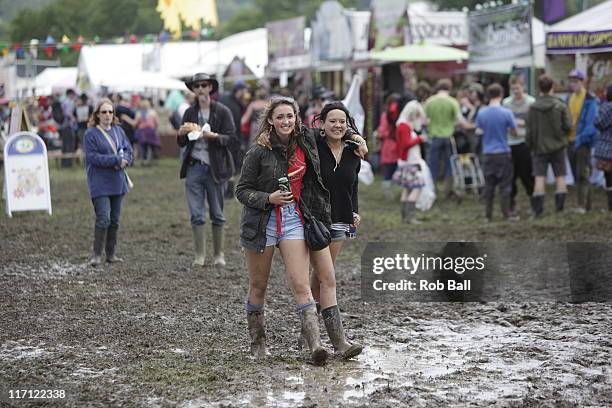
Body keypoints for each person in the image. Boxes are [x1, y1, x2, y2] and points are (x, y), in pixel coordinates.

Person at [257, 101, 368, 361]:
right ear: (322, 123)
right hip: (316, 219)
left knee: (322, 277)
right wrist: (268, 134)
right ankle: (316, 336)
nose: (338, 125)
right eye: (332, 121)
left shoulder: (354, 153)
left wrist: (355, 210)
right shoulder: (314, 144)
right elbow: (295, 130)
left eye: (343, 122)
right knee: (319, 277)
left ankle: (312, 333)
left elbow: (352, 186)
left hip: (341, 220)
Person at [235, 96, 330, 365]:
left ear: (296, 118)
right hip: (261, 222)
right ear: (270, 121)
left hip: (292, 220)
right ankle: (258, 345)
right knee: (259, 285)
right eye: (280, 117)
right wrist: (268, 198)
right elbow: (241, 191)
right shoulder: (258, 151)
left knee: (301, 284)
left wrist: (358, 141)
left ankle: (315, 346)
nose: (285, 121)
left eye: (290, 116)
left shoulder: (305, 142)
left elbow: (337, 129)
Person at [177, 73, 236, 267]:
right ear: (193, 90)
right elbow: (182, 141)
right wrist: (181, 134)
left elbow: (231, 139)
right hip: (194, 167)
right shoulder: (189, 113)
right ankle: (199, 256)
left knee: (217, 213)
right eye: (197, 86)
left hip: (216, 168)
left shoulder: (222, 111)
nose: (200, 89)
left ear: (211, 87)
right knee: (196, 214)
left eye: (204, 85)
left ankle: (219, 255)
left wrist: (214, 136)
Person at [83, 98, 133, 266]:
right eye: (104, 112)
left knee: (114, 220)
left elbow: (128, 150)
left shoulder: (119, 131)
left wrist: (126, 159)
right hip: (100, 183)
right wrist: (116, 160)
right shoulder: (90, 134)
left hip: (118, 182)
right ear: (97, 114)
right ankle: (97, 254)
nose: (107, 115)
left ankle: (111, 254)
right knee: (103, 218)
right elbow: (92, 157)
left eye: (110, 112)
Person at [526, 75, 571, 217]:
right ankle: (560, 209)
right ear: (552, 87)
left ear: (540, 88)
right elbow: (568, 126)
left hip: (539, 147)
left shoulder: (533, 107)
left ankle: (538, 211)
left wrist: (530, 145)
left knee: (539, 177)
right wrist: (562, 137)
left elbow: (530, 130)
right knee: (560, 176)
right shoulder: (560, 105)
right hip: (558, 146)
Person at [475, 84, 518, 221]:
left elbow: (479, 130)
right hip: (503, 152)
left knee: (489, 185)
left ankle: (488, 215)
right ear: (501, 94)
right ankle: (506, 214)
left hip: (487, 152)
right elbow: (514, 132)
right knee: (505, 185)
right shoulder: (507, 113)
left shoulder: (482, 112)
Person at [566, 69, 600, 213]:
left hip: (582, 142)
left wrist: (580, 139)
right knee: (576, 174)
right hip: (570, 140)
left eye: (576, 81)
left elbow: (592, 124)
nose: (573, 84)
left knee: (583, 174)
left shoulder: (590, 100)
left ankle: (583, 205)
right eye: (571, 81)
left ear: (582, 81)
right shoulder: (569, 98)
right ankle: (583, 204)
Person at [424, 79, 462, 198]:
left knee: (432, 164)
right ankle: (448, 189)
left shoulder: (430, 101)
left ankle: (432, 189)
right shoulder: (453, 102)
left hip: (434, 137)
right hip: (448, 137)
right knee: (450, 164)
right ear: (449, 88)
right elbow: (459, 120)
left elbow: (424, 121)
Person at [503, 76, 535, 214]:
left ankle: (534, 202)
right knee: (511, 176)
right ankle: (511, 204)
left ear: (523, 87)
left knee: (527, 174)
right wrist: (516, 123)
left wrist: (515, 123)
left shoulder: (531, 102)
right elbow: (505, 121)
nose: (515, 91)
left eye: (518, 88)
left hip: (524, 143)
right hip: (510, 142)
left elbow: (533, 122)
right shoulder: (506, 103)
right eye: (513, 88)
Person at [394, 99, 427, 223]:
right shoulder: (405, 125)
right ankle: (410, 217)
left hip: (404, 161)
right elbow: (405, 144)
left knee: (407, 189)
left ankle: (405, 217)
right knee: (417, 187)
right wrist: (419, 139)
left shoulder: (401, 124)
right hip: (410, 161)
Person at [377, 93, 401, 199]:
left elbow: (382, 131)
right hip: (395, 145)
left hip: (390, 146)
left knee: (389, 170)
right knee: (392, 169)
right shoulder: (397, 116)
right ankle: (390, 192)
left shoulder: (385, 115)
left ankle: (389, 192)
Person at [594, 83, 612, 211]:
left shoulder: (607, 107)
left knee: (609, 177)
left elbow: (598, 123)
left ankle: (611, 206)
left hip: (608, 147)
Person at [135, 97, 160, 166]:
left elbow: (136, 123)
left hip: (142, 131)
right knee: (151, 147)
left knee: (143, 147)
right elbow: (157, 122)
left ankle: (143, 160)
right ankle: (150, 160)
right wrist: (156, 130)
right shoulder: (153, 112)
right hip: (151, 131)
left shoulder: (139, 113)